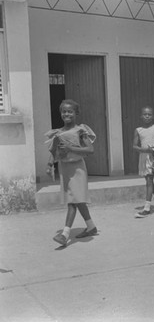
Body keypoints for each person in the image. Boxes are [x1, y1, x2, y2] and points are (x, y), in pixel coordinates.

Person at [46, 99, 97, 247]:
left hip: (77, 168)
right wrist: (50, 164)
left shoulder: (80, 131)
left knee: (72, 201)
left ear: (76, 113)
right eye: (64, 111)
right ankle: (91, 226)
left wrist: (71, 148)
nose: (66, 114)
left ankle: (64, 234)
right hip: (65, 169)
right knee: (78, 199)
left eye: (70, 111)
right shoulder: (58, 133)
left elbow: (90, 150)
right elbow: (54, 151)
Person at [133, 106, 154, 218]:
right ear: (141, 116)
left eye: (150, 114)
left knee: (149, 180)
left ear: (153, 116)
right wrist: (145, 150)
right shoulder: (138, 130)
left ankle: (147, 208)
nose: (147, 116)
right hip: (144, 157)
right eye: (145, 114)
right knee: (149, 180)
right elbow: (134, 146)